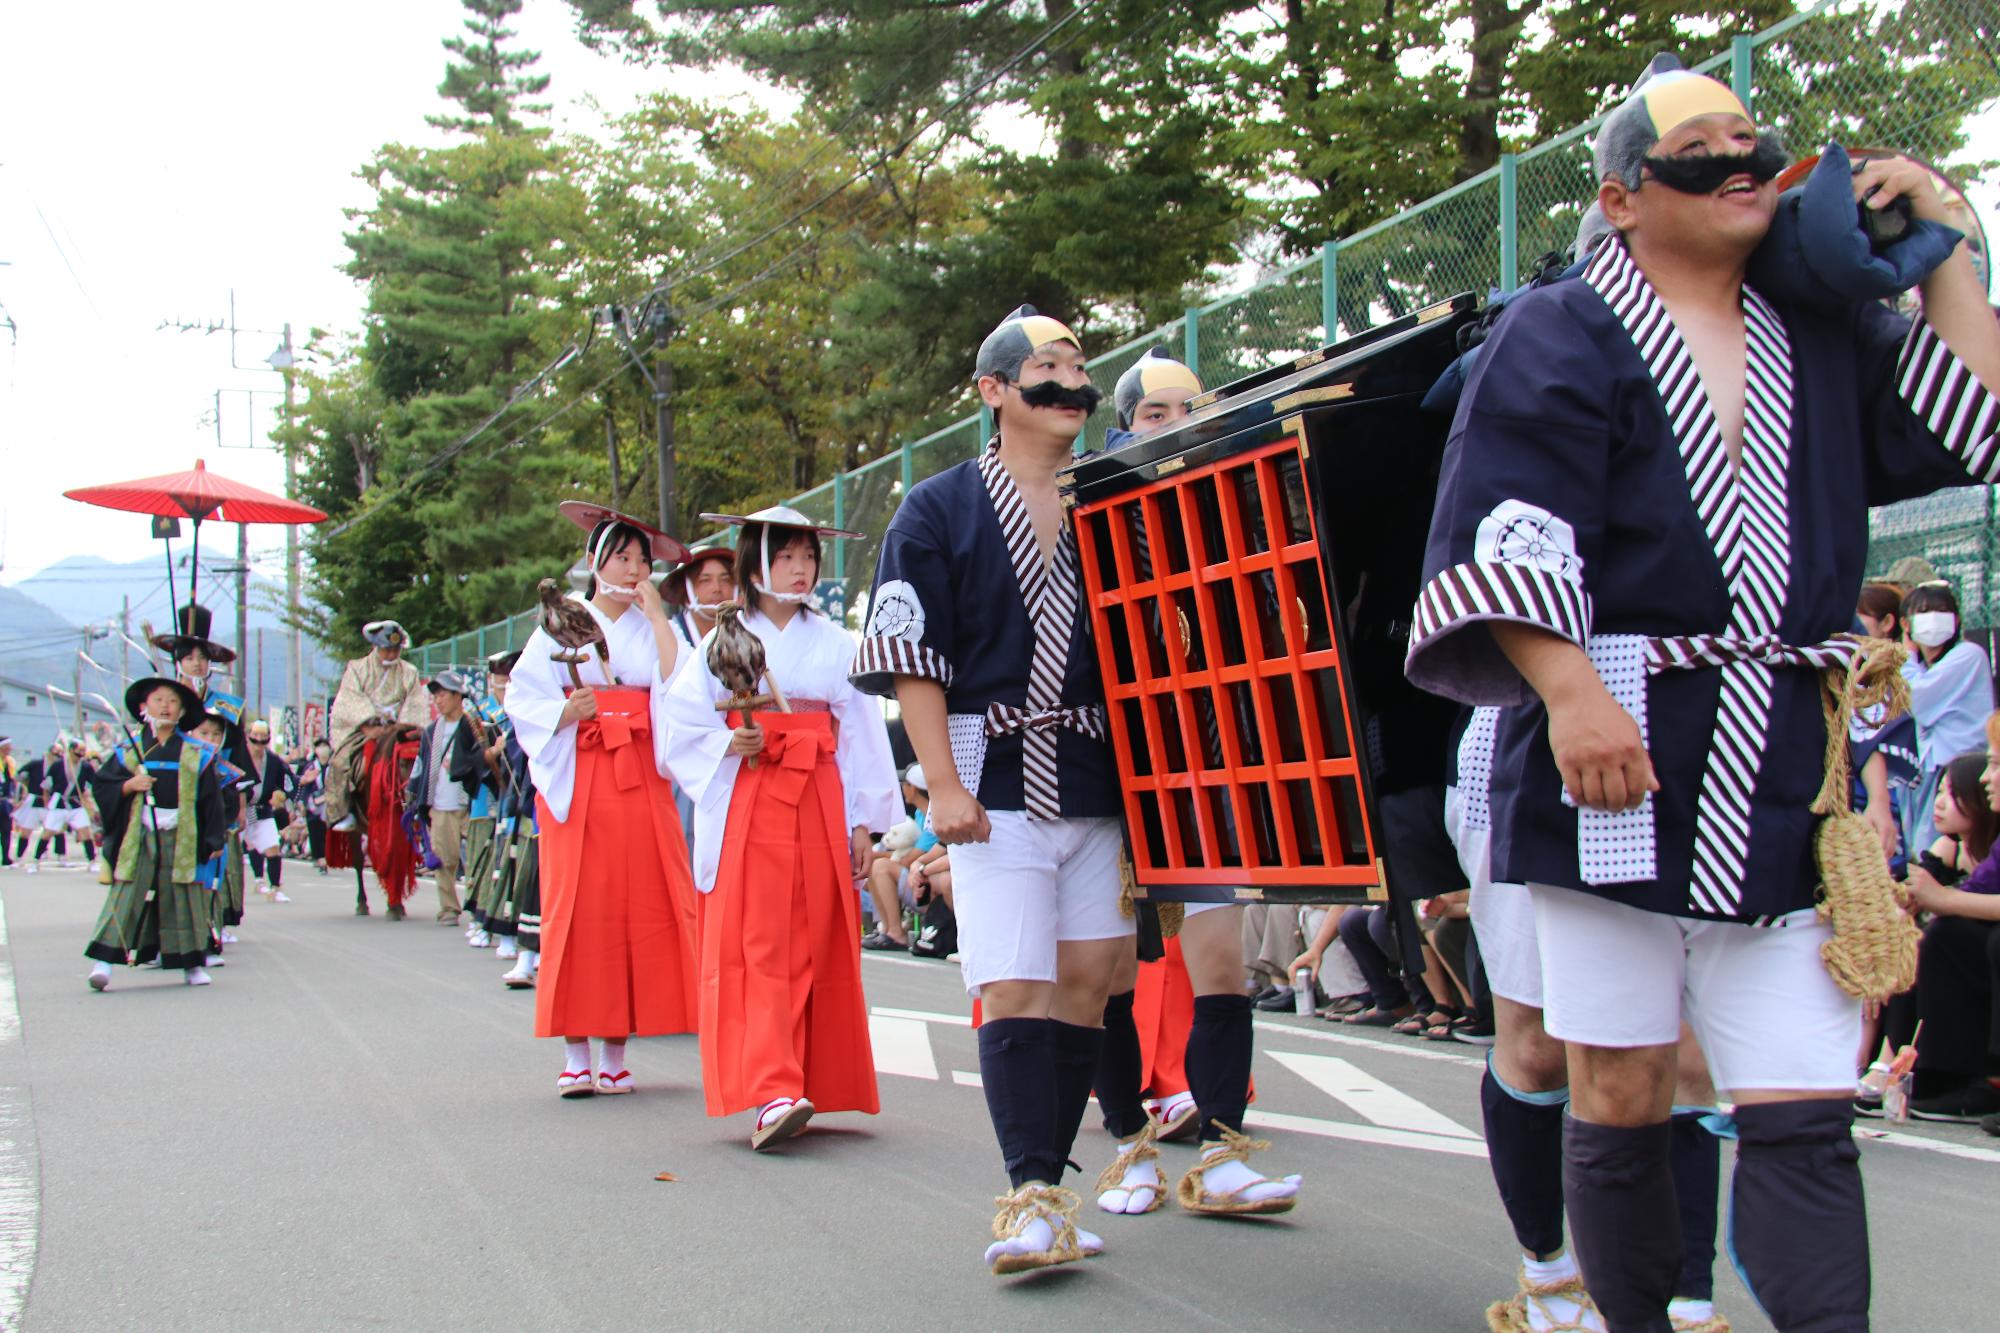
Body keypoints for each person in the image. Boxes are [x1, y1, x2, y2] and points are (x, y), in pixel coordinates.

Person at [1405, 50, 2000, 1333]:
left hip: (1785, 756)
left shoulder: (1825, 328)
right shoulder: (1556, 326)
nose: (1740, 164)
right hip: (1611, 741)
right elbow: (1501, 524)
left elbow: (1967, 425)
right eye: (1700, 151)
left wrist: (1946, 241)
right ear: (1621, 196)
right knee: (1617, 1086)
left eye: (1752, 146)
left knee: (1798, 1104)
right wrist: (1565, 691)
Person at [1086, 347, 1297, 1216]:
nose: (1174, 426)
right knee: (1112, 976)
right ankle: (1130, 1145)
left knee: (1222, 966)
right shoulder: (1092, 511)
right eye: (1154, 414)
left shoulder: (1233, 510)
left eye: (1188, 410)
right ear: (1124, 426)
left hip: (1209, 762)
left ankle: (1222, 1151)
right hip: (1121, 775)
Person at [666, 506, 899, 1148]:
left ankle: (811, 1080)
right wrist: (725, 746)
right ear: (756, 562)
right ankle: (771, 1088)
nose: (800, 570)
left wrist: (864, 822)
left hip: (822, 793)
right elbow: (679, 725)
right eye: (787, 557)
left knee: (821, 937)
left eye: (808, 558)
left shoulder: (837, 644)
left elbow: (859, 734)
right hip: (752, 791)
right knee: (760, 941)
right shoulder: (721, 640)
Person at [504, 503, 701, 1097]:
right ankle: (574, 1049)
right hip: (583, 768)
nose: (634, 567)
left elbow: (684, 689)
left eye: (642, 559)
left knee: (638, 908)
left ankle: (616, 1049)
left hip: (641, 773)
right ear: (595, 564)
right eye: (621, 557)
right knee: (579, 906)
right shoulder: (563, 623)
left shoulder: (651, 625)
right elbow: (522, 694)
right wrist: (566, 710)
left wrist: (662, 620)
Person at [83, 678, 227, 990]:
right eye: (158, 699)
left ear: (181, 711)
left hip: (181, 833)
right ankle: (104, 963)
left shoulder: (197, 752)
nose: (165, 706)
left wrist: (214, 839)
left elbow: (210, 798)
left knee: (183, 896)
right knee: (127, 892)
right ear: (143, 707)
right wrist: (128, 785)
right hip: (141, 833)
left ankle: (191, 964)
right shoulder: (127, 752)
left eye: (172, 701)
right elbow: (103, 786)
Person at [1896, 741, 2000, 1121]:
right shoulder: (1951, 846)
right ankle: (1939, 1075)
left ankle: (1993, 1080)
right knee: (1941, 937)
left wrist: (1943, 899)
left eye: (1995, 766)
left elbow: (1951, 899)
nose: (1987, 779)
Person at [1900, 581, 1992, 857]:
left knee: (1938, 850)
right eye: (1924, 611)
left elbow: (1914, 699)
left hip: (1957, 770)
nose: (1934, 618)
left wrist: (1906, 655)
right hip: (1925, 769)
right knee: (1917, 848)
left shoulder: (1968, 655)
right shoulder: (1922, 667)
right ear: (1907, 624)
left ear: (1957, 619)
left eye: (1942, 611)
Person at [406, 670, 483, 927]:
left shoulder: (474, 725)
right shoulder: (430, 732)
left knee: (475, 858)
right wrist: (415, 796)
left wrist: (463, 765)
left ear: (458, 696)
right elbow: (421, 764)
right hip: (439, 803)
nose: (438, 700)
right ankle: (449, 907)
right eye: (436, 695)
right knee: (444, 859)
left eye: (443, 694)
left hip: (470, 801)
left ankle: (478, 907)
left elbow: (482, 759)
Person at [862, 762, 938, 950]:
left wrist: (876, 856)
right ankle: (887, 928)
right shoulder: (921, 815)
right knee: (875, 863)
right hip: (921, 882)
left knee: (880, 866)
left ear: (913, 788)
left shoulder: (933, 817)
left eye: (905, 784)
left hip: (930, 890)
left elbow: (907, 860)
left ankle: (896, 932)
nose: (903, 788)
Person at [242, 720, 297, 904]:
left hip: (262, 808)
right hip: (238, 808)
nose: (258, 743)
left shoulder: (273, 761)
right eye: (254, 737)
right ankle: (256, 880)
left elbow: (289, 781)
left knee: (272, 846)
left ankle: (275, 888)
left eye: (262, 738)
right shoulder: (237, 757)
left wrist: (288, 797)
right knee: (244, 846)